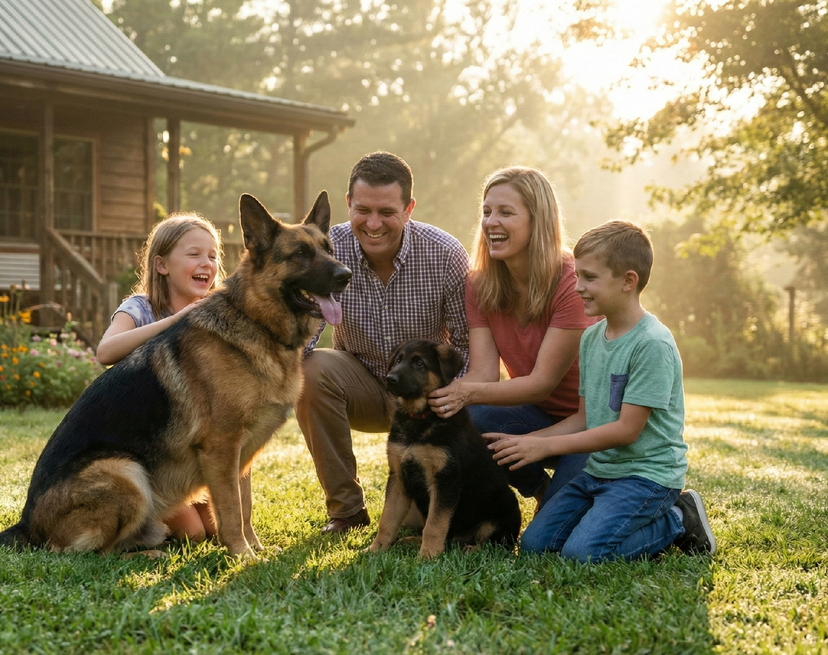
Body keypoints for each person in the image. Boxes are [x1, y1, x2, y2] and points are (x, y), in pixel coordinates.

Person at [492, 220, 717, 562]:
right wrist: (529, 441)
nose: (577, 286)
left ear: (629, 281)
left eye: (589, 278)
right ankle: (605, 519)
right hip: (599, 471)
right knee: (536, 546)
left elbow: (626, 431)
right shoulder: (592, 338)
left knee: (583, 555)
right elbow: (585, 418)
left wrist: (545, 445)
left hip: (646, 477)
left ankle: (678, 518)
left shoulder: (651, 344)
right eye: (577, 275)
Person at [297, 151, 470, 534]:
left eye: (387, 212)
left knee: (411, 524)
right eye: (363, 210)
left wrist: (453, 396)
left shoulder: (445, 254)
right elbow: (303, 336)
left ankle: (428, 502)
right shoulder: (326, 250)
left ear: (409, 209)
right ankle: (346, 510)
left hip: (426, 396)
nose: (373, 224)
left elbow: (466, 343)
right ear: (348, 204)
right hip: (362, 384)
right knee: (310, 371)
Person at [427, 166, 597, 508]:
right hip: (536, 419)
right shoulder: (479, 283)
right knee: (472, 418)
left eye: (506, 212)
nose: (491, 222)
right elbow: (484, 375)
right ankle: (541, 492)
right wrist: (445, 398)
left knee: (553, 542)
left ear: (539, 221)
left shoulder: (570, 281)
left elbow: (541, 383)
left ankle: (677, 510)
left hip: (590, 427)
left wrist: (463, 392)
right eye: (487, 212)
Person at [95, 213, 226, 542]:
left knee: (215, 528)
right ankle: (135, 540)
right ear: (162, 264)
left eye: (213, 256)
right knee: (194, 533)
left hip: (188, 449)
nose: (206, 263)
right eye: (194, 254)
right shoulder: (141, 307)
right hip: (147, 454)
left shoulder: (217, 311)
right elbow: (106, 352)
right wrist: (176, 321)